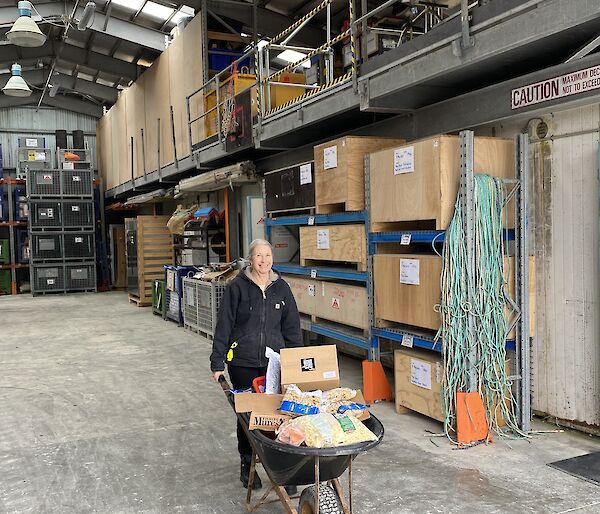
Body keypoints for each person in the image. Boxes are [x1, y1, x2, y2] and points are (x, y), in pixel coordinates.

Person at [210, 239, 303, 490]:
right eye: (259, 256)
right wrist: (217, 361)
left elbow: (292, 328)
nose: (264, 260)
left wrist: (295, 363)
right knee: (248, 416)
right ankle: (247, 462)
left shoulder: (281, 288)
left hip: (275, 363)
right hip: (242, 363)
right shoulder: (237, 287)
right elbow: (225, 325)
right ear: (250, 259)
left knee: (280, 413)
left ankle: (282, 466)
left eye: (268, 255)